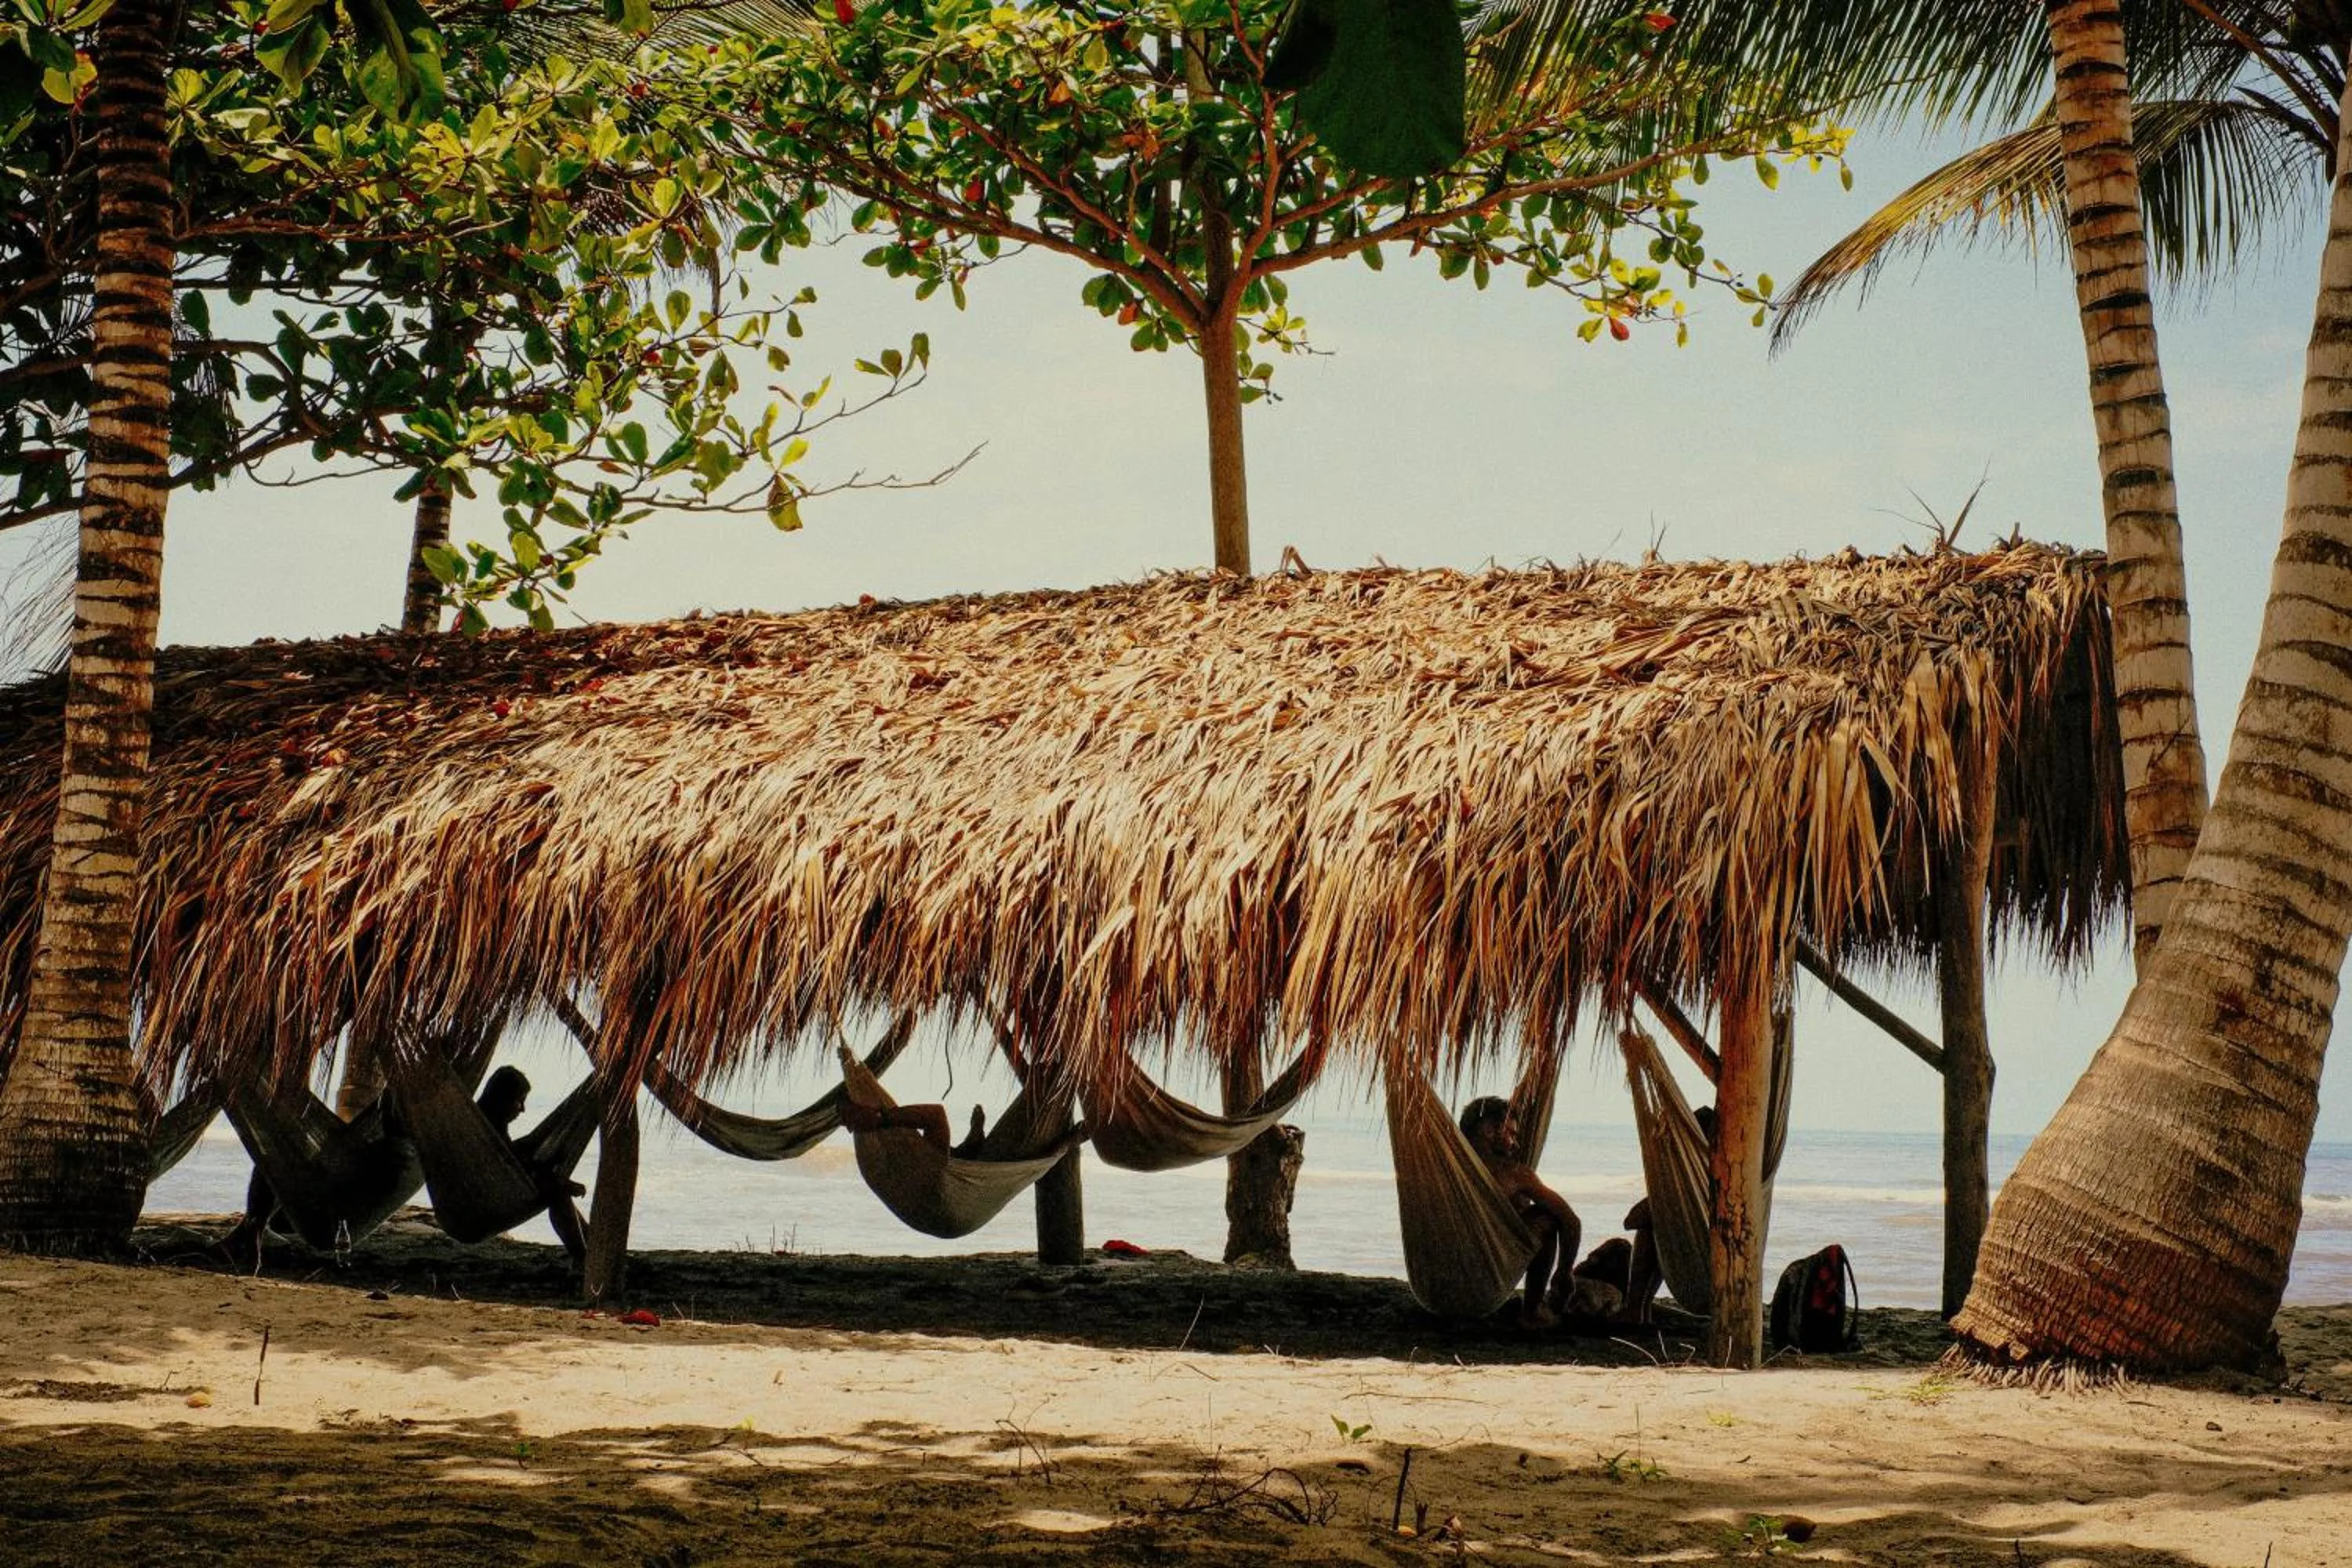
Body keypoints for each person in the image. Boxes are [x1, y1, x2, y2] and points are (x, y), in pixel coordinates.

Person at [1458, 1094, 1581, 1328]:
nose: (1516, 1144)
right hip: (1486, 1274)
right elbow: (1570, 1221)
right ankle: (1532, 1311)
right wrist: (1565, 1272)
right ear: (1490, 1130)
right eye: (1512, 1134)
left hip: (1449, 1276)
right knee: (1545, 1217)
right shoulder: (1513, 1174)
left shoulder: (1449, 1168)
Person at [478, 1065, 590, 1265]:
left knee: (555, 1187)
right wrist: (559, 1181)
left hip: (492, 1190)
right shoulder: (482, 1127)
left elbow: (509, 1157)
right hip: (483, 1202)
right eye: (519, 1100)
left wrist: (539, 1146)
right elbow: (510, 1166)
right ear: (503, 1099)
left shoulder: (486, 1122)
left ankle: (588, 1247)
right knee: (557, 1194)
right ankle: (583, 1258)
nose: (522, 1109)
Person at [839, 1093, 990, 1158]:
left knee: (935, 1116)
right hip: (935, 1175)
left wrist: (880, 1118)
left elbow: (935, 1114)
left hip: (936, 1174)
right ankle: (972, 1146)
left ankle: (972, 1146)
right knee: (935, 1116)